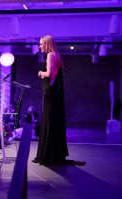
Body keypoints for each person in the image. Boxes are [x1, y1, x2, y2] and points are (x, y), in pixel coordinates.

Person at [33, 35, 85, 166]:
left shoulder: (50, 55)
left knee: (49, 121)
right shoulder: (56, 56)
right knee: (51, 121)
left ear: (47, 44)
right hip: (53, 94)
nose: (39, 46)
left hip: (50, 94)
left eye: (41, 44)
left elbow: (50, 74)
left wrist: (40, 73)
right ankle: (52, 153)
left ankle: (49, 155)